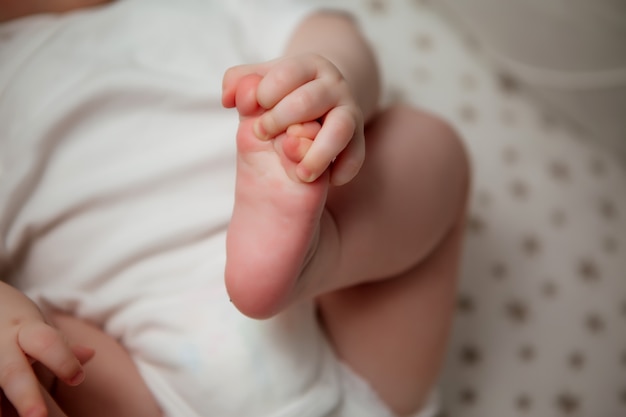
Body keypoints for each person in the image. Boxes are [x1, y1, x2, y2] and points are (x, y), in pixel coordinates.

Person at [0, 0, 470, 416]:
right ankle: (313, 257)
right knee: (32, 350)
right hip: (148, 380)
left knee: (426, 145)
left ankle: (319, 257)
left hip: (333, 328)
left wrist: (323, 85)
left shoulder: (196, 8)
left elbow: (327, 34)